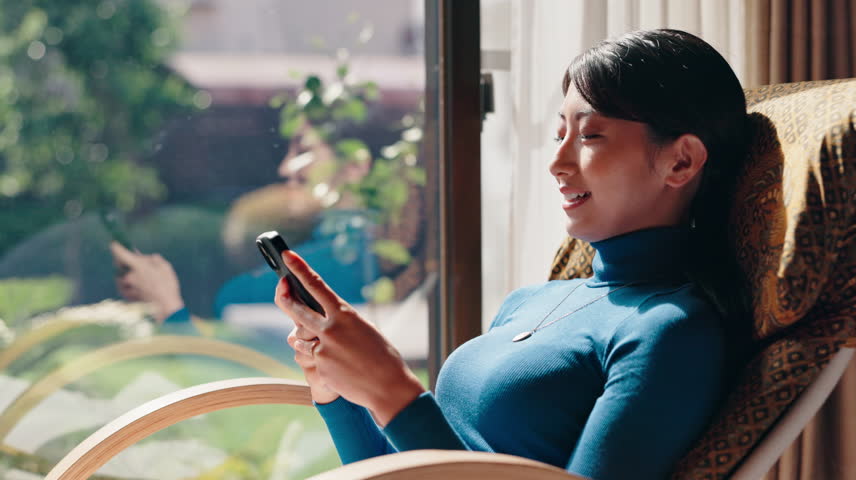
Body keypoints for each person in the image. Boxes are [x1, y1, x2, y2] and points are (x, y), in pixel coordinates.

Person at [277, 29, 752, 480]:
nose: (556, 162)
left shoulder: (671, 329)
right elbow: (403, 471)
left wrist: (394, 391)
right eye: (559, 134)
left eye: (588, 137)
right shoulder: (531, 300)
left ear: (681, 161)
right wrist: (334, 388)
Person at [110, 124, 379, 324]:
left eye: (303, 150)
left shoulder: (250, 294)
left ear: (354, 165)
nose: (285, 168)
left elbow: (229, 380)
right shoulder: (371, 256)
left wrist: (166, 304)